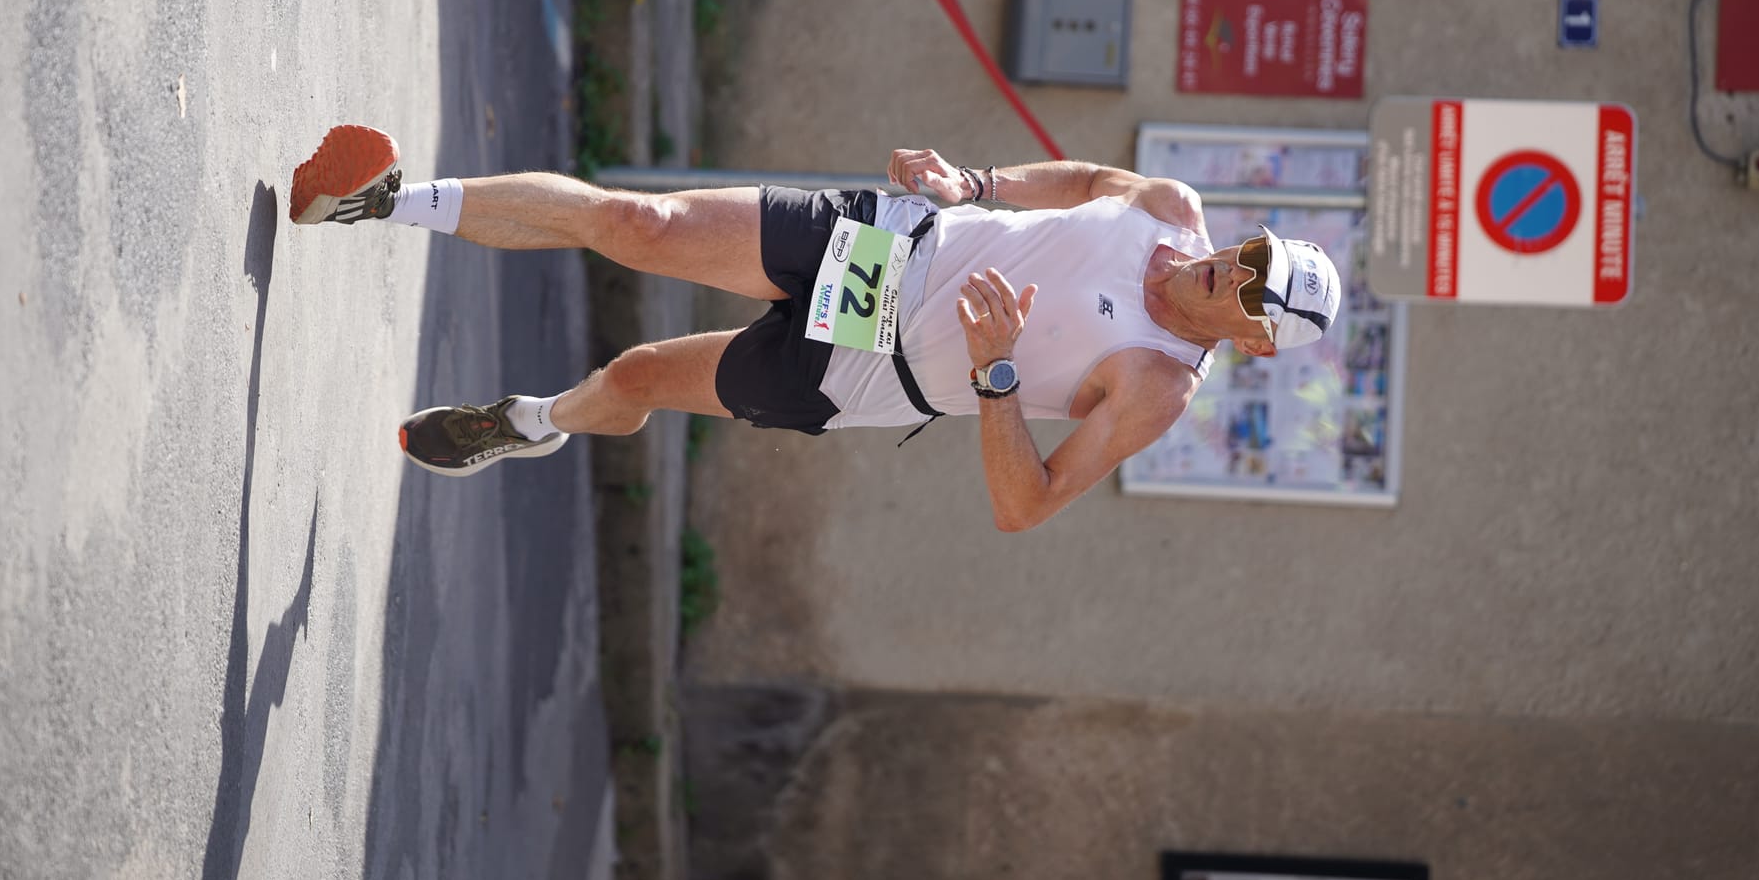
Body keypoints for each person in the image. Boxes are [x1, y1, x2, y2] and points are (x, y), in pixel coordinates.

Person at [288, 123, 1341, 531]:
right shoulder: (1166, 207)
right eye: (1251, 254)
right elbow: (1081, 178)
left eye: (1250, 290)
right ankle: (383, 199)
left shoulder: (1157, 385)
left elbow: (1026, 505)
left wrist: (999, 372)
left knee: (644, 374)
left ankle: (529, 421)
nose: (1228, 268)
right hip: (884, 249)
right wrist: (973, 178)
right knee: (635, 221)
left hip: (871, 372)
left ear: (1250, 340)